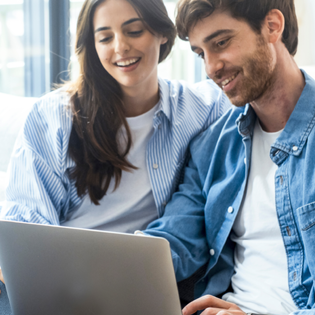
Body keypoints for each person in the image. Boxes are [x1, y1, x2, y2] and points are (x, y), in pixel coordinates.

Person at [0, 0, 231, 312]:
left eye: (134, 31)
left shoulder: (204, 108)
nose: (120, 47)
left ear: (162, 33)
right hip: (62, 281)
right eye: (105, 38)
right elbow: (27, 221)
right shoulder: (52, 116)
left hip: (138, 281)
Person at [144, 0, 315, 314]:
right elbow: (175, 241)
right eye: (200, 53)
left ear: (272, 26)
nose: (211, 68)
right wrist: (114, 264)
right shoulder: (212, 146)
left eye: (221, 43)